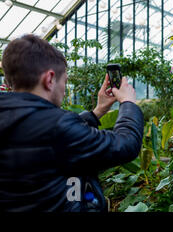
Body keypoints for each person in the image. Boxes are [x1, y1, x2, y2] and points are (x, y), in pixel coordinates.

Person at [0, 34, 144, 212]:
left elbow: (38, 133)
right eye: (64, 82)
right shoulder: (58, 126)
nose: (63, 90)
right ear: (50, 79)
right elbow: (125, 145)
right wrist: (128, 103)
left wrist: (98, 111)